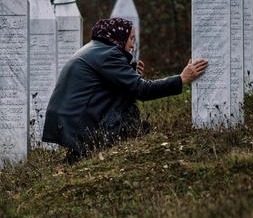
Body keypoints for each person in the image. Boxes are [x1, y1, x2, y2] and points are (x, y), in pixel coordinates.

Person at [42, 17, 208, 163]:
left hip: (67, 120)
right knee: (136, 127)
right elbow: (142, 90)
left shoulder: (96, 48)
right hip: (77, 123)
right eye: (131, 39)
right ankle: (87, 151)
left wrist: (130, 75)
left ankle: (79, 156)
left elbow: (103, 88)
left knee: (131, 116)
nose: (132, 45)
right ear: (120, 37)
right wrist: (181, 79)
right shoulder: (109, 54)